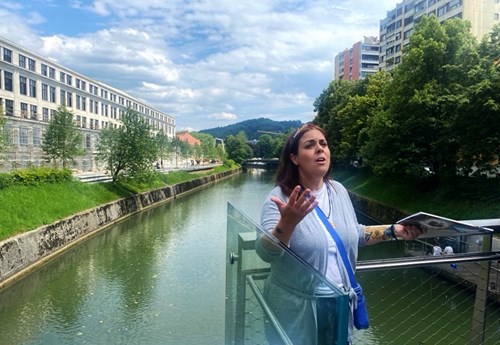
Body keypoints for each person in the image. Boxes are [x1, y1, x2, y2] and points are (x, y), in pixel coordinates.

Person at [255, 123, 424, 345]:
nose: (320, 149)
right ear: (294, 158)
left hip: (338, 303)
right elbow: (265, 252)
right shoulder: (279, 199)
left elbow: (354, 234)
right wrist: (287, 222)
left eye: (323, 144)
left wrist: (394, 231)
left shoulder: (338, 191)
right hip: (296, 311)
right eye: (310, 145)